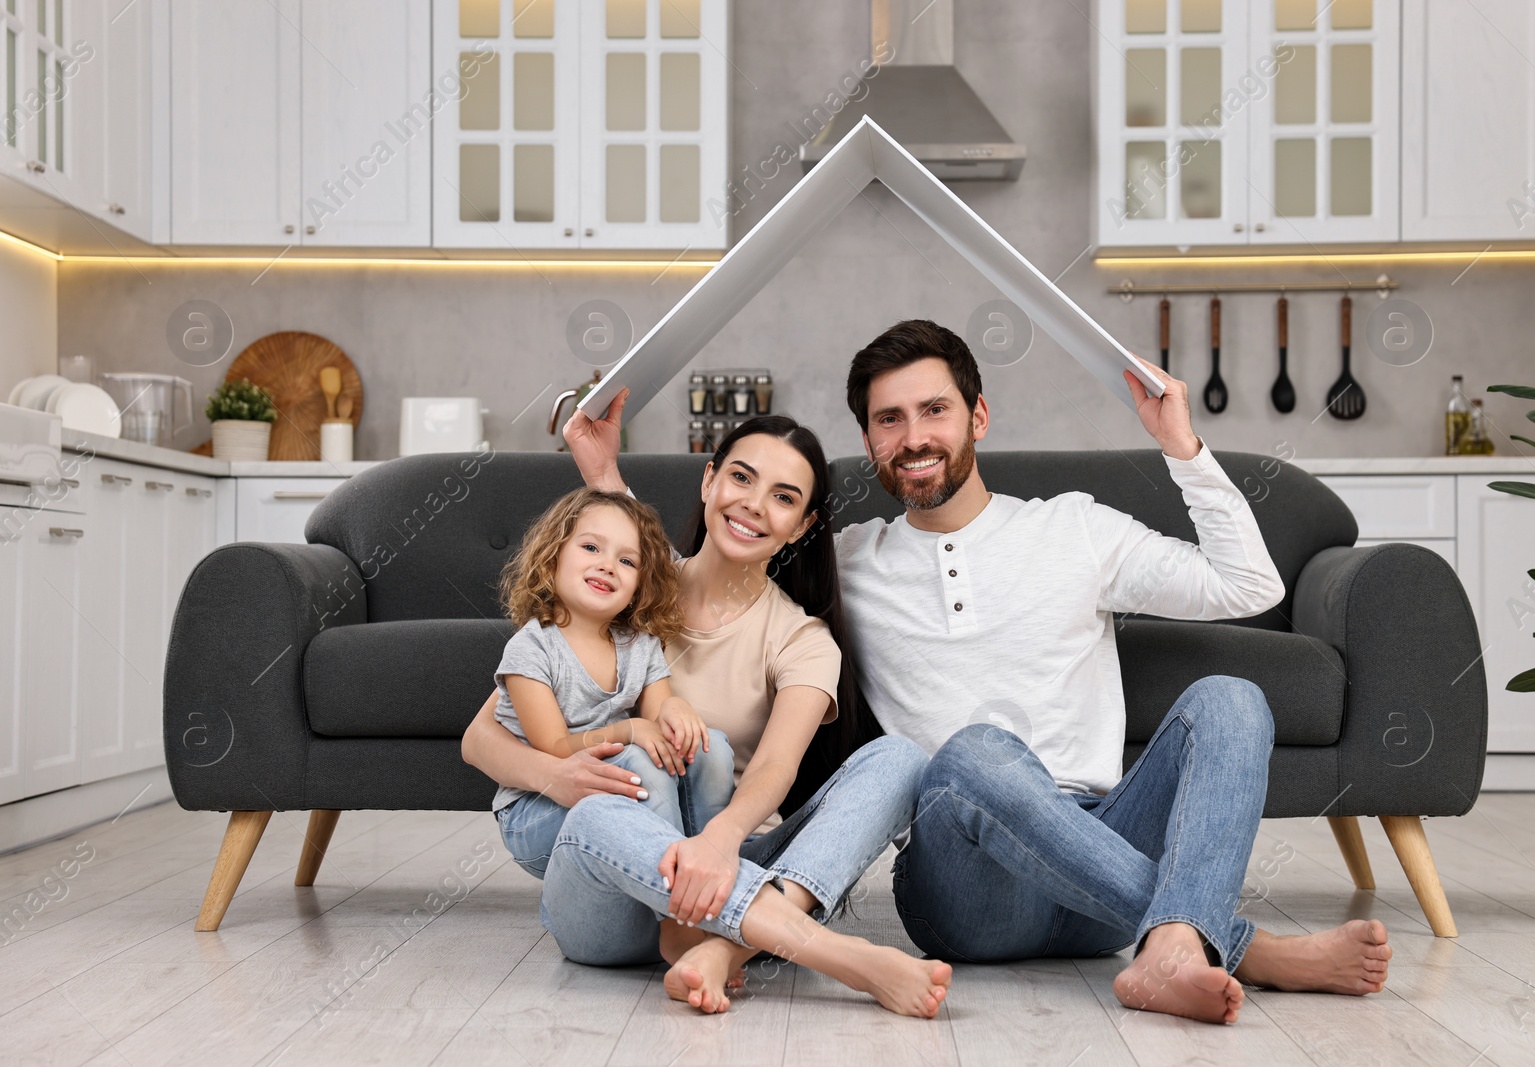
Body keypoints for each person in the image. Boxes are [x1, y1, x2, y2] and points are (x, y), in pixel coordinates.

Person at [836, 319, 1393, 1025]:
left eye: (934, 409)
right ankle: (1235, 946)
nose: (913, 436)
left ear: (978, 414)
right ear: (869, 442)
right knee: (977, 749)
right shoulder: (845, 560)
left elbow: (1248, 585)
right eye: (890, 419)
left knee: (1232, 700)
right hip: (967, 890)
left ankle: (1170, 945)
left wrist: (1181, 447)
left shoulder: (1073, 528)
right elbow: (701, 588)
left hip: (1101, 851)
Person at [462, 414, 950, 1019]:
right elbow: (482, 736)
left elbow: (774, 765)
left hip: (725, 864)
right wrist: (554, 777)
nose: (752, 505)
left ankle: (719, 950)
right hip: (611, 890)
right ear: (709, 481)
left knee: (898, 760)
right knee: (596, 814)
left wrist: (719, 842)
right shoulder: (627, 588)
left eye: (783, 497)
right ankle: (835, 954)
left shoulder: (803, 639)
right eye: (741, 478)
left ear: (804, 526)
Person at [490, 486, 736, 870]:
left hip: (615, 790)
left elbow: (659, 720)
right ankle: (672, 891)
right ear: (552, 556)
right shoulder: (532, 649)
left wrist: (675, 707)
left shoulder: (639, 644)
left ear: (640, 586)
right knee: (638, 763)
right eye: (591, 548)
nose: (607, 565)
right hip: (539, 810)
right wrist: (627, 732)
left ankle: (711, 864)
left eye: (626, 560)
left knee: (710, 746)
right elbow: (554, 747)